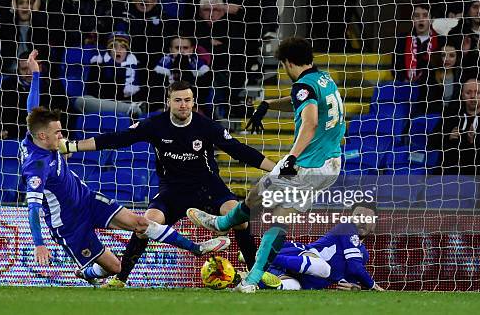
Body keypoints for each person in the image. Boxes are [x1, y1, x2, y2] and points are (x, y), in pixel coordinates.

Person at [22, 50, 229, 283]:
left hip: (87, 199)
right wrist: (39, 244)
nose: (62, 136)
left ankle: (196, 248)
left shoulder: (35, 135)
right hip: (68, 223)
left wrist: (36, 75)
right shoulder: (36, 166)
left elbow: (33, 109)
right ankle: (87, 273)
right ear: (42, 135)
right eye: (57, 132)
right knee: (114, 267)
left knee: (140, 223)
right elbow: (32, 209)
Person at [58, 80, 276, 288]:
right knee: (146, 224)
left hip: (208, 187)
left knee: (238, 218)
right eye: (178, 100)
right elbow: (117, 138)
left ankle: (253, 273)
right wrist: (73, 146)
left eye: (188, 100)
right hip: (172, 190)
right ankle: (121, 278)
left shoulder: (207, 126)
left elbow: (241, 151)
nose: (184, 105)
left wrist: (276, 170)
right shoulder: (155, 125)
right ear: (168, 102)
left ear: (194, 102)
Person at [187, 37, 345, 293]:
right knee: (265, 201)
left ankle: (235, 249)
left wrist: (292, 157)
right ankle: (232, 242)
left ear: (287, 63)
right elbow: (303, 100)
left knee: (268, 207)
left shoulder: (302, 85)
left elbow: (311, 121)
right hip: (329, 163)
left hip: (308, 164)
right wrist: (269, 104)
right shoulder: (322, 79)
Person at [264, 203, 384, 291]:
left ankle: (251, 276)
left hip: (296, 275)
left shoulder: (363, 255)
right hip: (293, 253)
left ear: (374, 225)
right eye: (358, 216)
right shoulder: (347, 228)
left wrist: (353, 288)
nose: (362, 220)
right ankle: (262, 258)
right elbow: (355, 267)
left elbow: (346, 282)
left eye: (368, 218)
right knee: (323, 268)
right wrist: (373, 285)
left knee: (293, 287)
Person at [428, 77, 480, 175]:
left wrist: (474, 141)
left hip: (476, 175)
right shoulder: (450, 116)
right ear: (462, 95)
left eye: (477, 93)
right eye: (468, 92)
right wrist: (448, 136)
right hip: (446, 173)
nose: (472, 96)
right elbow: (432, 141)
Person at [75, 32, 148, 118]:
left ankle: (131, 109)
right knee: (81, 101)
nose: (119, 50)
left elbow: (141, 96)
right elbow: (94, 93)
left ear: (127, 51)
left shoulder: (138, 68)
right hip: (102, 107)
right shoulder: (98, 66)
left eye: (123, 47)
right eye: (115, 47)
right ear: (109, 50)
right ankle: (129, 109)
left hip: (129, 107)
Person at [151, 35, 212, 114]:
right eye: (177, 48)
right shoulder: (160, 69)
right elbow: (156, 96)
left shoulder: (201, 69)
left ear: (191, 49)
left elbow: (203, 96)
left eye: (185, 48)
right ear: (170, 49)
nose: (181, 51)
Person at [393, 4, 439, 84]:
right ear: (412, 19)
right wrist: (406, 82)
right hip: (407, 87)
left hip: (431, 88)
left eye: (425, 15)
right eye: (417, 16)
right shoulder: (402, 39)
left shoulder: (440, 39)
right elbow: (395, 67)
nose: (421, 19)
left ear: (432, 20)